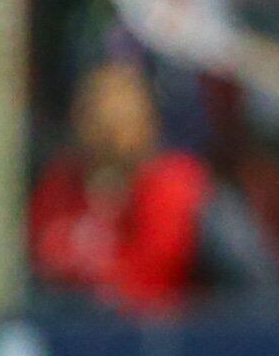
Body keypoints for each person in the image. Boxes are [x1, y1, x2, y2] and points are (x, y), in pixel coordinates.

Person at [30, 56, 213, 315]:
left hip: (155, 342)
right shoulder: (58, 187)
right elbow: (42, 264)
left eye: (121, 116)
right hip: (66, 337)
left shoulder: (174, 184)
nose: (109, 131)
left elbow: (149, 277)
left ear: (146, 120)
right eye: (96, 115)